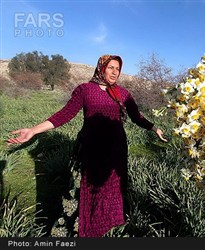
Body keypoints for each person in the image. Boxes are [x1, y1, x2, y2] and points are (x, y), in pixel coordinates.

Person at [7, 54, 168, 237]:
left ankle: (106, 227)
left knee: (111, 189)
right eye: (111, 67)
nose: (115, 72)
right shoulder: (85, 90)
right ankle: (79, 230)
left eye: (117, 68)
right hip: (90, 150)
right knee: (85, 192)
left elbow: (136, 116)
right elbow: (64, 115)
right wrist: (34, 130)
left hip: (115, 151)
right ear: (101, 68)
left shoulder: (123, 94)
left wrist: (154, 128)